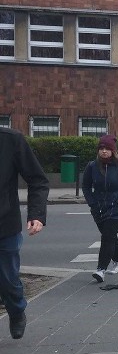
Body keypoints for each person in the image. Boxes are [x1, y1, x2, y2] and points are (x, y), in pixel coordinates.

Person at [0, 127, 48, 339]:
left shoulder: (10, 140)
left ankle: (17, 310)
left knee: (8, 280)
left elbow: (37, 179)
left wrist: (36, 214)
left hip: (4, 226)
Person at [82, 135, 118, 282]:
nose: (104, 151)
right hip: (99, 207)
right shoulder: (92, 166)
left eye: (107, 148)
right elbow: (86, 186)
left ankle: (101, 269)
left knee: (107, 235)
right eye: (101, 148)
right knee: (110, 236)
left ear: (113, 151)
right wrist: (92, 203)